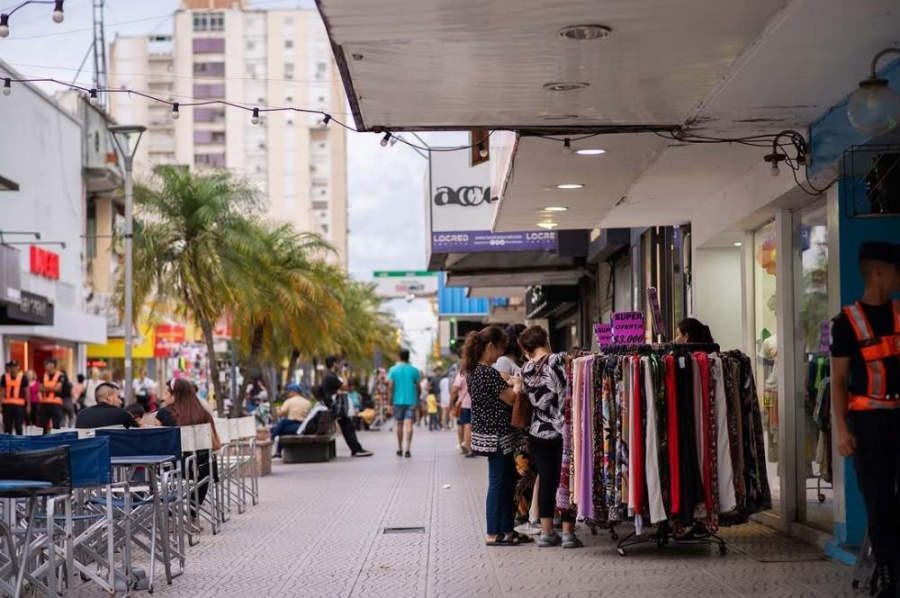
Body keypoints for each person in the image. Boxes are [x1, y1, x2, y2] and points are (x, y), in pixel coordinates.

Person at [831, 241, 900, 597]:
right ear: (878, 272)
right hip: (869, 424)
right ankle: (888, 573)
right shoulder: (847, 323)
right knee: (878, 500)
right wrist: (842, 429)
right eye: (895, 269)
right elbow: (839, 381)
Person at [462, 325, 531, 546]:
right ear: (490, 346)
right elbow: (511, 399)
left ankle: (507, 530)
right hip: (497, 437)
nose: (500, 355)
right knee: (499, 482)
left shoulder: (475, 371)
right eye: (499, 349)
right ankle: (494, 532)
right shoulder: (486, 373)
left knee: (508, 480)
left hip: (491, 435)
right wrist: (518, 384)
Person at [518, 325, 584, 548]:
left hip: (538, 432)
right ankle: (568, 533)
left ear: (526, 349)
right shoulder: (558, 360)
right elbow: (567, 395)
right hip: (564, 430)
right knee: (568, 478)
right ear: (545, 340)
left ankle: (546, 532)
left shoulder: (524, 369)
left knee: (547, 480)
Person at [157, 379, 222, 517]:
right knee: (206, 467)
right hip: (200, 469)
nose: (163, 397)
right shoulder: (203, 414)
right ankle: (192, 512)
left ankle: (169, 516)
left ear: (175, 395)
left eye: (166, 392)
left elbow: (157, 443)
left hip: (171, 468)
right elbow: (216, 444)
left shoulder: (163, 414)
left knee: (163, 473)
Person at [321, 356, 373, 457]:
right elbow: (345, 386)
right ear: (334, 363)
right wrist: (344, 373)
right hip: (335, 407)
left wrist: (339, 390)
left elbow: (339, 389)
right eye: (337, 363)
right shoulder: (330, 376)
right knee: (348, 426)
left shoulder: (328, 375)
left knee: (347, 426)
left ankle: (356, 449)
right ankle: (356, 449)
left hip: (334, 406)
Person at [388, 349, 421, 458]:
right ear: (408, 357)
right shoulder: (414, 370)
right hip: (411, 400)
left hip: (398, 401)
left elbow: (390, 388)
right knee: (409, 424)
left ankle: (399, 447)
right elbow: (418, 387)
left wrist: (389, 403)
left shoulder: (393, 370)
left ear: (398, 357)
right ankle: (407, 449)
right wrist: (418, 399)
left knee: (399, 424)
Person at [270, 384, 312, 458]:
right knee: (280, 427)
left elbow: (280, 414)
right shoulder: (307, 402)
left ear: (293, 392)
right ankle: (278, 451)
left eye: (289, 392)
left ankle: (271, 440)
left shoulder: (289, 401)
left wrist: (277, 409)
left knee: (277, 428)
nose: (288, 394)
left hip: (296, 427)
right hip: (303, 425)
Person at [1, 360, 28, 435]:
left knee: (18, 426)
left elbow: (27, 392)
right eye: (11, 367)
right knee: (7, 427)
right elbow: (2, 391)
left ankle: (19, 444)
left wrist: (28, 405)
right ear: (9, 368)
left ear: (18, 367)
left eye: (15, 367)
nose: (13, 369)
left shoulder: (23, 377)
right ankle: (8, 444)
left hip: (19, 406)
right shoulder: (4, 377)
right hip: (7, 406)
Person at [40, 359, 68, 431]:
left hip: (56, 404)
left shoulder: (60, 375)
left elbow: (58, 388)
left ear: (53, 365)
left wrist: (46, 388)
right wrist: (52, 388)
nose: (45, 366)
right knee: (42, 425)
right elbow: (40, 389)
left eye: (47, 364)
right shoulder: (43, 376)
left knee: (56, 426)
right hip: (44, 403)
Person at [450, 369, 473, 456]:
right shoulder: (475, 372)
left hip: (464, 404)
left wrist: (451, 403)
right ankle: (466, 445)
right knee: (469, 425)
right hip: (475, 403)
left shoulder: (462, 374)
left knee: (465, 425)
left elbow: (455, 390)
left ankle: (466, 447)